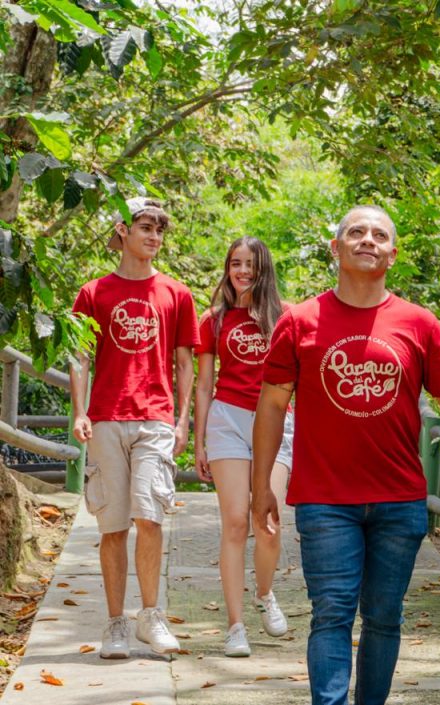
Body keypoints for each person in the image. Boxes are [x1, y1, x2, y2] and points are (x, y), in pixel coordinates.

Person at [250, 205, 440, 705]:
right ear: (335, 248)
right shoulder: (300, 321)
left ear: (392, 253)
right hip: (324, 498)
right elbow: (272, 405)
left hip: (398, 498)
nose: (368, 240)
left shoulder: (419, 323)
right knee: (332, 613)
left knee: (384, 616)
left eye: (379, 234)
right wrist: (260, 487)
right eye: (356, 232)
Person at [69, 197, 200, 658]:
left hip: (155, 418)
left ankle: (151, 616)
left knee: (150, 517)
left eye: (160, 230)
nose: (154, 237)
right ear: (123, 230)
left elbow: (185, 363)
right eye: (146, 227)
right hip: (106, 416)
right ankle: (116, 624)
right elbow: (80, 355)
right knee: (112, 525)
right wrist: (79, 411)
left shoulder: (176, 293)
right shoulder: (93, 293)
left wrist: (182, 420)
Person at [193, 236, 293, 657]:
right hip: (228, 421)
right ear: (227, 267)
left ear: (263, 268)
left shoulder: (286, 318)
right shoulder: (213, 319)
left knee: (266, 522)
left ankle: (264, 594)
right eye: (236, 263)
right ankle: (235, 626)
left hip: (277, 421)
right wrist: (198, 440)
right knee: (235, 523)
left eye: (250, 264)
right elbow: (203, 384)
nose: (243, 271)